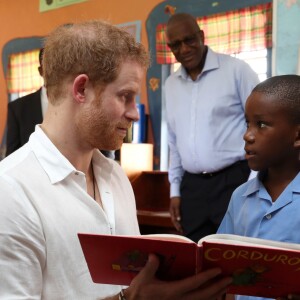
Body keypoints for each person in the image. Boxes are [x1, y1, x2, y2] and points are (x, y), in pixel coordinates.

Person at [0, 20, 232, 299]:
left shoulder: (114, 175)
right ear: (81, 89)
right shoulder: (11, 190)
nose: (135, 113)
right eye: (126, 97)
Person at [165, 13, 260, 242]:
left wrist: (254, 182)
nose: (184, 49)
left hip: (233, 181)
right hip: (192, 188)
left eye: (189, 40)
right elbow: (174, 142)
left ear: (201, 36)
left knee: (235, 254)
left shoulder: (237, 71)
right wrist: (175, 191)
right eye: (176, 45)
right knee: (196, 256)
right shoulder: (170, 85)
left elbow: (260, 125)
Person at [218, 75, 300, 300]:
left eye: (261, 124)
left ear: (298, 135)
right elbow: (221, 266)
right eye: (247, 123)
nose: (247, 135)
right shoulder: (240, 197)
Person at [5, 48, 47, 156]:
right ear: (41, 71)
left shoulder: (79, 101)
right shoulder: (18, 108)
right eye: (51, 66)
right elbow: (12, 155)